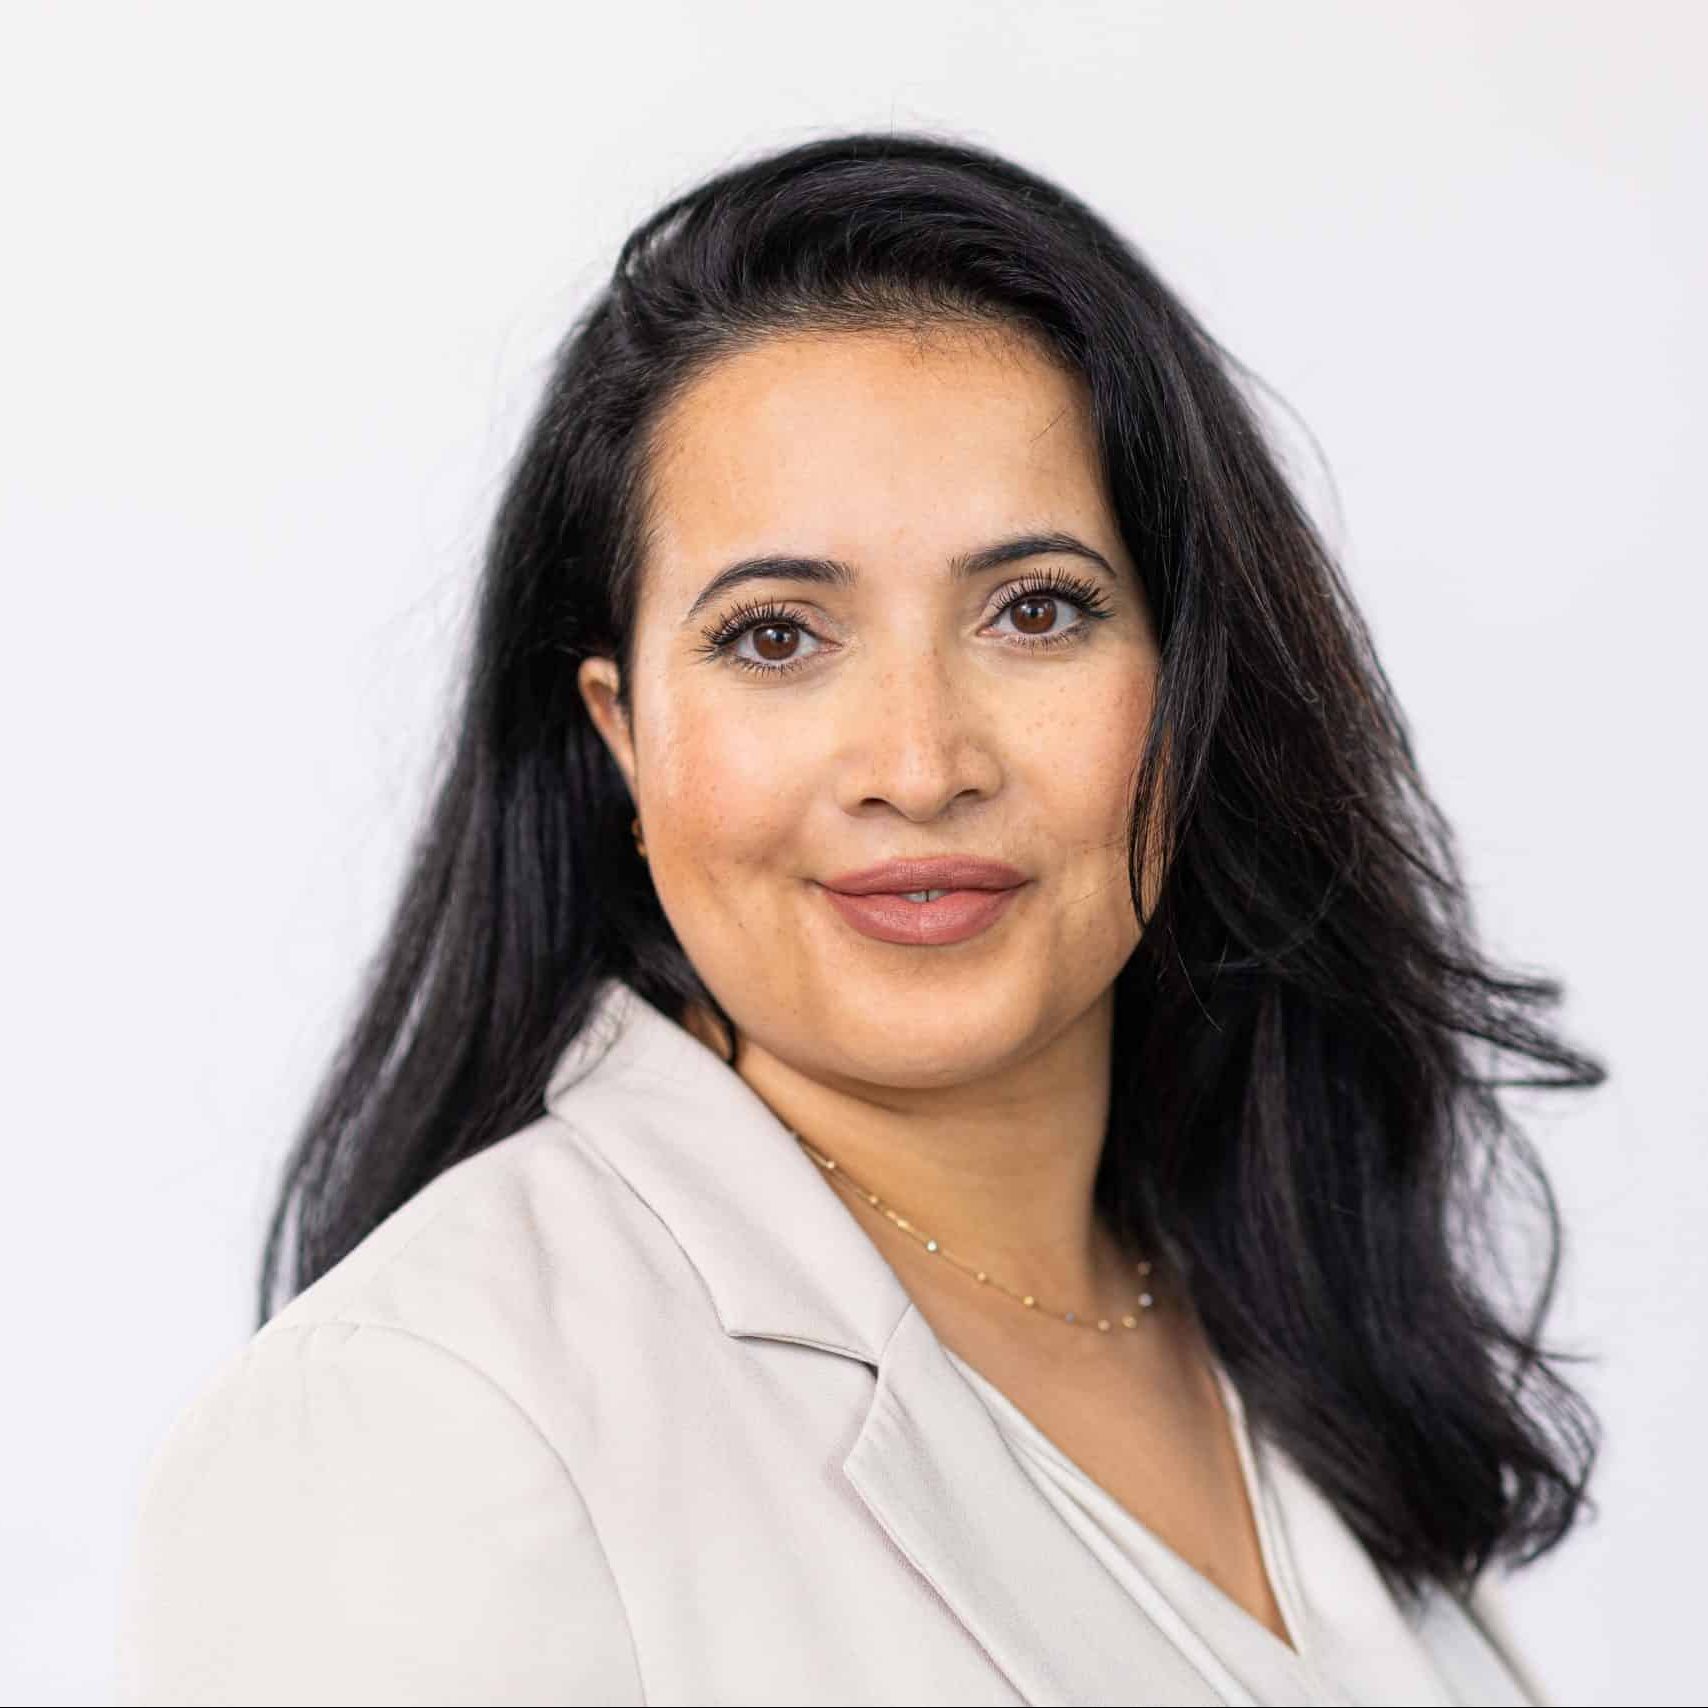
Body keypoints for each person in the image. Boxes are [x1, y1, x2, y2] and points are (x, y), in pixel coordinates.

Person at [118, 133, 1603, 1706]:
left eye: (1036, 611)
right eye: (777, 636)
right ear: (623, 733)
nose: (920, 763)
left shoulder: (1292, 1326)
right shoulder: (421, 1426)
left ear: (1189, 685)